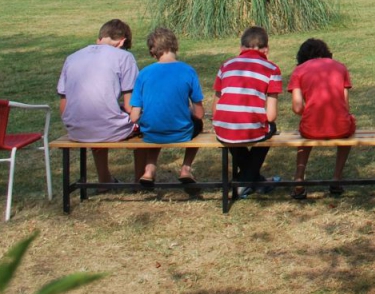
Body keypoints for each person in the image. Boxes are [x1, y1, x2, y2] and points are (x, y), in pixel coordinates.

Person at [56, 18, 139, 184]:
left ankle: (104, 179)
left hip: (76, 129)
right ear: (122, 42)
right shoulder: (124, 57)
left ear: (99, 39)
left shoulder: (72, 58)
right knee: (143, 122)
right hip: (108, 129)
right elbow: (131, 106)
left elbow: (63, 104)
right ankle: (140, 180)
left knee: (97, 115)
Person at [129, 27, 204, 192]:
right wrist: (187, 110)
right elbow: (199, 114)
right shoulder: (188, 71)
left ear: (152, 51)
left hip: (151, 133)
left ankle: (149, 169)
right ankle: (186, 168)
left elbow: (134, 117)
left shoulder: (144, 74)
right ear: (175, 46)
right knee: (199, 125)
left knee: (156, 121)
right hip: (181, 132)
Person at [213, 26, 282, 195]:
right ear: (266, 49)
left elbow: (215, 108)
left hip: (222, 127)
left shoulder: (226, 65)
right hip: (247, 129)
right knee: (270, 128)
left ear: (241, 48)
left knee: (233, 128)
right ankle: (245, 182)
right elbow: (271, 116)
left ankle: (254, 180)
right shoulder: (272, 69)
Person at [287, 38, 355, 200]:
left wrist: (310, 112)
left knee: (306, 132)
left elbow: (297, 107)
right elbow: (345, 105)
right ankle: (336, 178)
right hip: (340, 127)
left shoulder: (299, 71)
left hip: (311, 127)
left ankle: (299, 178)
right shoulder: (340, 67)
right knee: (348, 128)